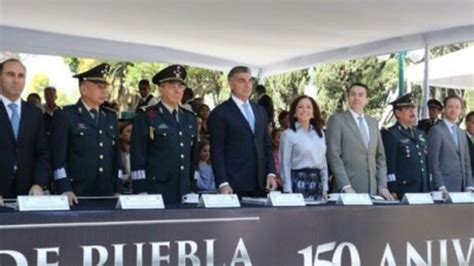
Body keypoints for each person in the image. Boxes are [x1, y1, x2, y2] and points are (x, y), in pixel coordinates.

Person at [51, 63, 123, 205]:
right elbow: (58, 158)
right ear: (83, 89)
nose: (104, 91)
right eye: (99, 87)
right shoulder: (66, 115)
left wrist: (118, 188)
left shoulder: (110, 117)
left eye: (105, 87)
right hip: (77, 194)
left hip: (106, 193)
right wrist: (64, 188)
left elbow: (116, 157)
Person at [130, 65, 198, 204]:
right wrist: (141, 190)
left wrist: (193, 185)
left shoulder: (190, 117)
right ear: (160, 89)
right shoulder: (147, 116)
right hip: (156, 190)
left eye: (181, 86)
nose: (177, 90)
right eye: (172, 85)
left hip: (185, 190)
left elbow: (193, 157)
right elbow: (138, 155)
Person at [208, 66, 277, 197]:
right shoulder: (220, 113)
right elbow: (217, 151)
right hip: (234, 185)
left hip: (261, 183)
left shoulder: (260, 111)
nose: (247, 85)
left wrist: (271, 173)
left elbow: (266, 145)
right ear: (231, 84)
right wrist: (222, 183)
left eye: (250, 80)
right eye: (241, 81)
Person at [326, 83, 393, 199]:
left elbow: (380, 157)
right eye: (353, 95)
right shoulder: (337, 120)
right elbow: (333, 155)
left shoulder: (373, 123)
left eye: (361, 95)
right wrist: (346, 186)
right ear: (348, 98)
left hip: (372, 190)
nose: (356, 98)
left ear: (367, 99)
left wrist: (382, 185)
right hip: (347, 190)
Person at [0, 58, 49, 205]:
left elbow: (43, 152)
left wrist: (39, 183)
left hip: (28, 192)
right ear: (0, 78)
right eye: (10, 74)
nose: (16, 80)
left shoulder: (35, 114)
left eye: (21, 76)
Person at [382, 93, 430, 199]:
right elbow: (390, 166)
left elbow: (426, 162)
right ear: (398, 113)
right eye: (408, 108)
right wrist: (393, 189)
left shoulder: (419, 134)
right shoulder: (391, 134)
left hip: (423, 189)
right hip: (405, 190)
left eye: (413, 108)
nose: (413, 111)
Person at [279, 95, 328, 199]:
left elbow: (323, 162)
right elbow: (285, 164)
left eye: (308, 107)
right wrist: (288, 190)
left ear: (313, 113)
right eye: (300, 107)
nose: (305, 110)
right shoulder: (288, 134)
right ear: (294, 113)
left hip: (317, 182)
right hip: (297, 182)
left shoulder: (320, 134)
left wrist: (325, 186)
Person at [428, 95, 472, 194]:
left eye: (457, 107)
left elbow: (467, 162)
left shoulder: (461, 133)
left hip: (462, 187)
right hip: (444, 187)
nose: (453, 110)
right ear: (444, 109)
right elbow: (433, 161)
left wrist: (469, 186)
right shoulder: (436, 130)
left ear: (461, 110)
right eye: (450, 107)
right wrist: (440, 186)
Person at [119, 121, 133, 194]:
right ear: (120, 135)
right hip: (121, 190)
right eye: (129, 131)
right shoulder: (118, 154)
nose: (132, 134)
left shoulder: (139, 154)